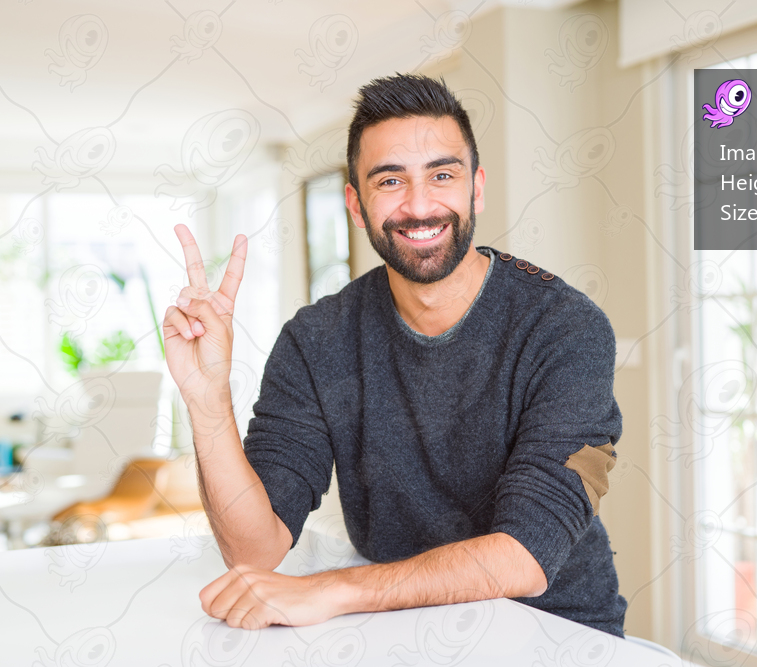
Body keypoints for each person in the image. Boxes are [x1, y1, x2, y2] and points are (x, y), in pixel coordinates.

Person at [162, 72, 627, 637]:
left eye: (442, 175)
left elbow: (523, 557)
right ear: (357, 206)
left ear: (476, 188)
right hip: (396, 629)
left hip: (556, 634)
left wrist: (332, 589)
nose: (420, 205)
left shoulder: (564, 330)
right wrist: (207, 398)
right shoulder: (317, 340)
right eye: (390, 182)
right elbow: (254, 549)